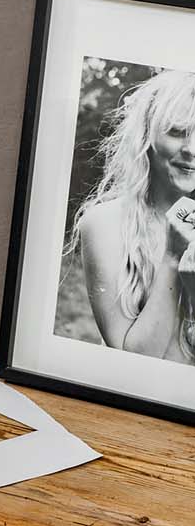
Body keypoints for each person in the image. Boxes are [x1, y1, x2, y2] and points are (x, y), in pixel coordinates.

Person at [68, 70, 195, 360]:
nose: (191, 149)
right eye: (177, 131)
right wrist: (172, 258)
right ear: (146, 136)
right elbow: (133, 360)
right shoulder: (104, 223)